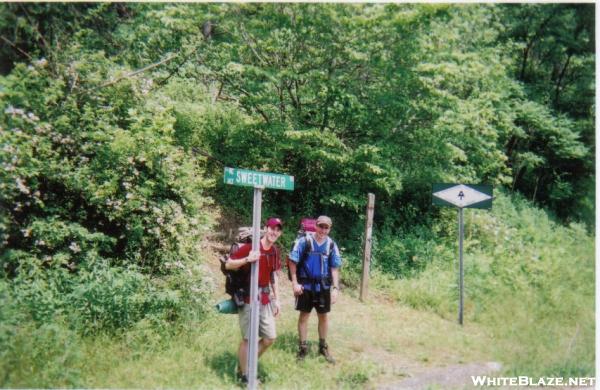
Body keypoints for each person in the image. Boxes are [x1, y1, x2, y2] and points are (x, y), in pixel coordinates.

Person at [226, 217, 283, 384]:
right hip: (249, 298)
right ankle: (245, 376)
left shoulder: (274, 251)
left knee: (269, 338)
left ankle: (246, 364)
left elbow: (274, 276)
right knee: (248, 339)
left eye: (278, 230)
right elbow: (229, 264)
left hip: (265, 299)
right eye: (272, 228)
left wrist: (277, 300)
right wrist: (247, 259)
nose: (275, 232)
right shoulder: (251, 247)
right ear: (266, 228)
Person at [288, 215, 342, 364]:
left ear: (329, 229)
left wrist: (336, 288)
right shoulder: (304, 241)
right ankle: (303, 348)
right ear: (316, 226)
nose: (323, 230)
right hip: (305, 286)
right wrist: (295, 283)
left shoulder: (331, 245)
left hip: (323, 286)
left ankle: (323, 347)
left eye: (326, 227)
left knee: (323, 316)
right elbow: (292, 262)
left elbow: (334, 268)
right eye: (321, 226)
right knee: (304, 316)